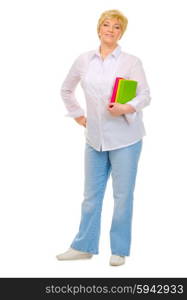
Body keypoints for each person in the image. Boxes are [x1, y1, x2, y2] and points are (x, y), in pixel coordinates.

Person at [56, 9, 151, 266]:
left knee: (122, 196)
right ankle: (83, 246)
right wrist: (78, 115)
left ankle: (119, 249)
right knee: (91, 196)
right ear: (99, 29)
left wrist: (125, 108)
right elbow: (66, 89)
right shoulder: (84, 60)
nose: (110, 29)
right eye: (106, 25)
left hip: (125, 140)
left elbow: (144, 96)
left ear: (122, 32)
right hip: (94, 139)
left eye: (117, 27)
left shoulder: (131, 62)